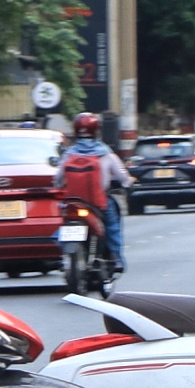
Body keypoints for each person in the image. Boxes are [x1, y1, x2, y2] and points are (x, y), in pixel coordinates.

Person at [56, 112, 130, 273]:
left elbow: (57, 179)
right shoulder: (105, 153)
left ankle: (60, 255)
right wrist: (128, 183)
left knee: (60, 224)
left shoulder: (69, 154)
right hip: (98, 202)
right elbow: (123, 177)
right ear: (96, 130)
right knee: (112, 225)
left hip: (73, 202)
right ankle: (116, 257)